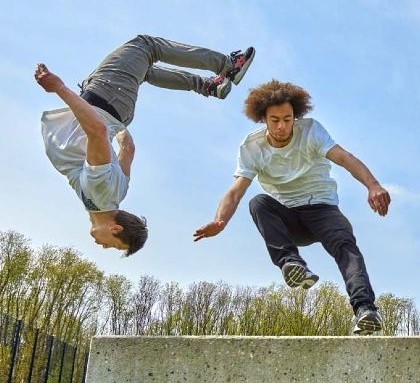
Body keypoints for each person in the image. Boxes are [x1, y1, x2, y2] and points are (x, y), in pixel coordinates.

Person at [193, 79, 390, 335]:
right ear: (263, 118)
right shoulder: (252, 148)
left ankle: (365, 309)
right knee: (258, 202)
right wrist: (220, 221)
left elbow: (345, 158)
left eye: (287, 119)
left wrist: (372, 185)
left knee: (345, 245)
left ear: (295, 116)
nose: (282, 126)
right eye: (275, 120)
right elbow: (235, 191)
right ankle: (291, 263)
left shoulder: (311, 131)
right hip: (288, 219)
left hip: (323, 208)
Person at [36, 35, 256, 255]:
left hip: (114, 106)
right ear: (116, 228)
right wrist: (59, 87)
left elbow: (128, 150)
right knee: (146, 46)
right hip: (107, 96)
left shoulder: (115, 196)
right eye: (112, 244)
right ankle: (228, 65)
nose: (103, 246)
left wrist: (117, 123)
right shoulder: (99, 190)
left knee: (143, 70)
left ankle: (209, 86)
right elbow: (98, 132)